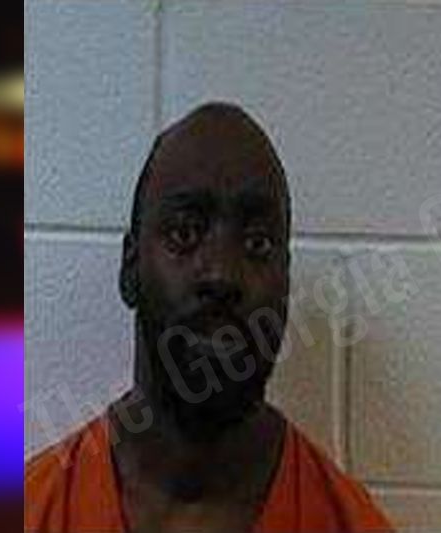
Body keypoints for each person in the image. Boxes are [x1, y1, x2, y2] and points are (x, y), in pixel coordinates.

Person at [25, 102, 393, 532]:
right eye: (185, 233)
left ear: (287, 280)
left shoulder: (351, 523)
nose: (221, 274)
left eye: (256, 243)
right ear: (130, 267)